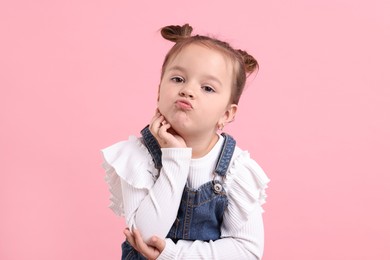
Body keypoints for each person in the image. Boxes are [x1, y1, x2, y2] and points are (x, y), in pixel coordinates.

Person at [101, 24, 270, 259]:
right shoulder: (138, 156)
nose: (188, 90)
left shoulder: (235, 169)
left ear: (227, 114)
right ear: (159, 92)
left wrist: (173, 254)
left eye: (207, 88)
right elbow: (146, 235)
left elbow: (247, 251)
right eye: (178, 79)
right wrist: (176, 160)